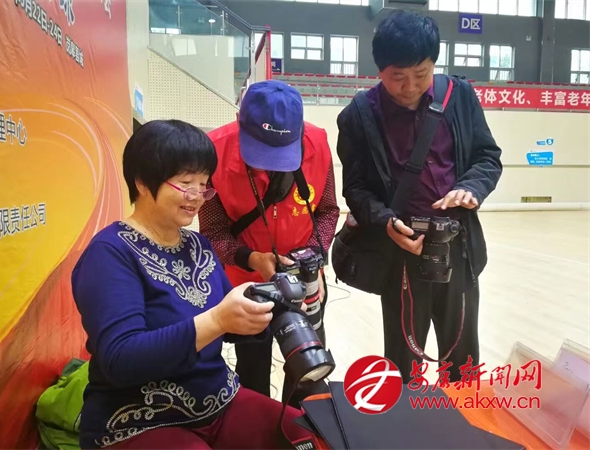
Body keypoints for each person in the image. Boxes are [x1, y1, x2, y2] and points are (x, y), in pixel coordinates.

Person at [71, 120, 316, 449]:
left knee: (310, 435)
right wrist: (217, 320)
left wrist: (265, 310)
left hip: (218, 401)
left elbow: (229, 325)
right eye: (186, 183)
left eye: (203, 185)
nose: (197, 197)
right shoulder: (110, 253)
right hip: (136, 418)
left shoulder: (197, 245)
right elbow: (121, 359)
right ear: (142, 182)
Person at [336, 10, 503, 382]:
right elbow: (356, 189)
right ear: (380, 70)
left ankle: (461, 416)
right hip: (400, 249)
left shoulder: (459, 96)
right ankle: (405, 416)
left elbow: (487, 157)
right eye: (398, 77)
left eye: (421, 74)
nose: (410, 87)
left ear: (434, 64)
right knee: (402, 363)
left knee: (463, 362)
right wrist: (385, 222)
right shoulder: (358, 116)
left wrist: (471, 188)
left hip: (456, 245)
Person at [199, 80, 340, 407]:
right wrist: (252, 259)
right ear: (240, 122)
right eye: (262, 153)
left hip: (305, 283)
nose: (271, 164)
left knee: (307, 370)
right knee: (252, 374)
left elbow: (328, 211)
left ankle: (299, 425)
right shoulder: (214, 151)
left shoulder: (318, 143)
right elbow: (213, 233)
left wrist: (313, 258)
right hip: (247, 284)